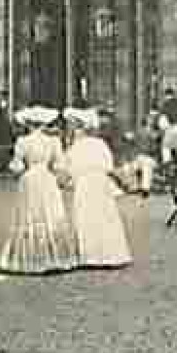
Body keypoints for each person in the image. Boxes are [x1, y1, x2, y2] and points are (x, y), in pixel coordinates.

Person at [0, 106, 78, 274]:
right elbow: (59, 165)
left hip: (30, 180)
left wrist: (21, 169)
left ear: (29, 124)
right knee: (50, 213)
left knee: (30, 214)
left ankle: (30, 255)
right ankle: (53, 255)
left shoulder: (23, 142)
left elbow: (16, 166)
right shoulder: (53, 142)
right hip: (47, 179)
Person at [58, 108, 132, 269]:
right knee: (103, 216)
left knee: (87, 216)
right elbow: (108, 166)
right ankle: (108, 253)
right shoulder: (99, 145)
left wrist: (65, 180)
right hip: (99, 183)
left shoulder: (76, 147)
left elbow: (67, 169)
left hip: (86, 184)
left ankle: (90, 254)